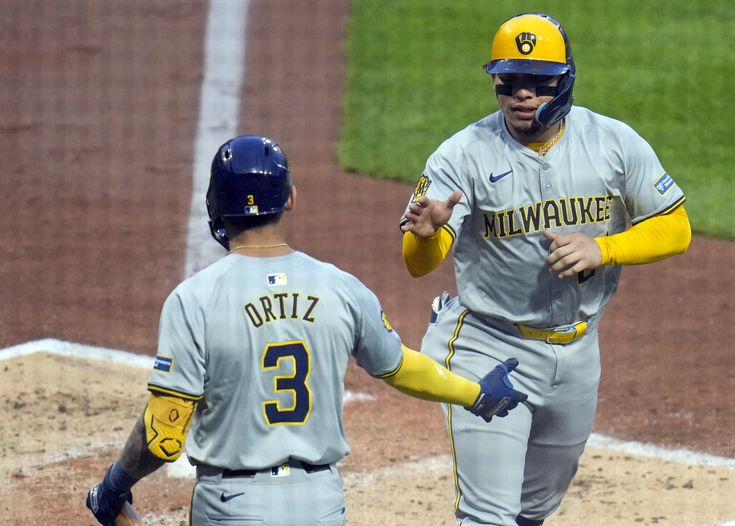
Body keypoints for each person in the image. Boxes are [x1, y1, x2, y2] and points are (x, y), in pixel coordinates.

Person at [84, 135, 528, 526]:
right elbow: (398, 365)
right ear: (291, 197)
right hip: (322, 504)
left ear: (215, 204)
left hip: (232, 506)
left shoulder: (194, 298)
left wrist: (114, 486)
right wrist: (477, 394)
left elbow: (163, 437)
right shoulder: (340, 286)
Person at [399, 12, 692, 526]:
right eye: (507, 82)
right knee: (490, 515)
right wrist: (423, 238)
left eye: (537, 83)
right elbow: (420, 266)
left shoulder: (613, 143)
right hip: (490, 347)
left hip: (578, 349)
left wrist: (604, 249)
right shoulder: (461, 155)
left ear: (565, 81)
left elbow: (676, 227)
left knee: (533, 510)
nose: (521, 95)